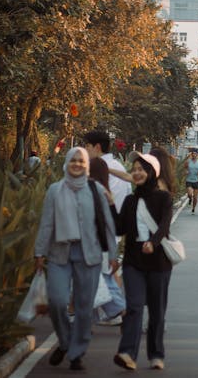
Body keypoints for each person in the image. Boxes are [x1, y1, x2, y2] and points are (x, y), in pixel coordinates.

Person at [34, 147, 118, 371]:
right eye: (74, 160)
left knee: (84, 307)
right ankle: (65, 341)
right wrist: (39, 252)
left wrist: (113, 253)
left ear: (87, 165)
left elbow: (107, 223)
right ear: (67, 162)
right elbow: (47, 223)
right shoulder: (55, 190)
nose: (78, 164)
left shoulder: (95, 189)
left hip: (88, 254)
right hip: (59, 253)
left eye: (82, 161)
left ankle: (77, 352)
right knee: (58, 301)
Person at [111, 153, 173, 372]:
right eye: (134, 169)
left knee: (157, 311)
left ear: (152, 173)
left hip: (159, 262)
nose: (137, 173)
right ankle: (127, 352)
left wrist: (153, 243)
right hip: (133, 262)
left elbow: (165, 226)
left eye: (142, 169)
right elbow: (119, 228)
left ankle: (156, 354)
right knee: (135, 307)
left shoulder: (163, 198)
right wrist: (110, 205)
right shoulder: (130, 200)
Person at [89, 157, 126, 326]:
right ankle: (88, 321)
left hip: (96, 246)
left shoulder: (95, 191)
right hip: (103, 246)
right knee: (105, 282)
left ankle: (123, 312)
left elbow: (108, 225)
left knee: (104, 283)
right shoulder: (105, 191)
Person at [84, 130, 131, 213]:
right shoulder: (119, 167)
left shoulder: (96, 168)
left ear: (97, 147)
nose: (85, 150)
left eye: (87, 146)